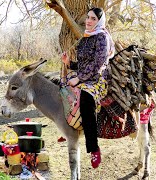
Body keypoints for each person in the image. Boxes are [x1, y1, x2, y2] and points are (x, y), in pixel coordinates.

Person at [61, 7, 115, 169]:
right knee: (62, 89)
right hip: (85, 76)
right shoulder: (85, 38)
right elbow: (83, 64)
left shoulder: (102, 38)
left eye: (93, 19)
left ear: (99, 21)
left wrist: (78, 79)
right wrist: (69, 64)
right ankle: (71, 128)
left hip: (98, 79)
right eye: (88, 18)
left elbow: (98, 64)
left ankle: (94, 148)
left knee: (85, 98)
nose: (88, 21)